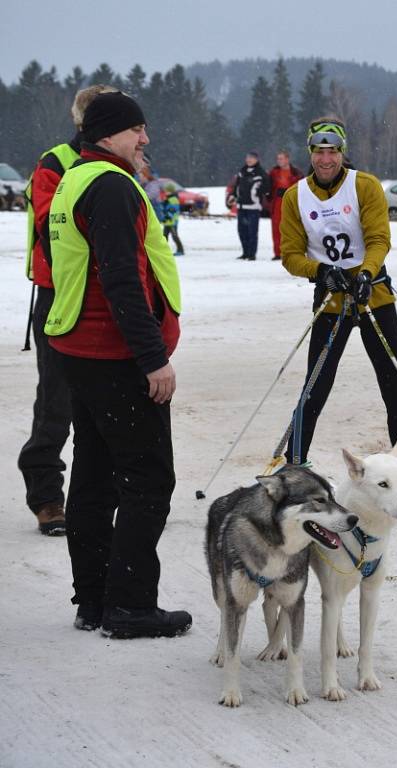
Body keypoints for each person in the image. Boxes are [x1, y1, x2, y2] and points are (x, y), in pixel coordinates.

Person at [44, 91, 192, 638]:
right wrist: (154, 360)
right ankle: (129, 606)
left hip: (79, 351)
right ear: (109, 133)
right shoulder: (109, 185)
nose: (145, 139)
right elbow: (122, 279)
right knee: (148, 480)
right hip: (115, 355)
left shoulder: (75, 178)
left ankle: (95, 601)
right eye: (137, 130)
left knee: (94, 477)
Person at [280, 117, 397, 510]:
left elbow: (379, 238)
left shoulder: (364, 186)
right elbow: (291, 255)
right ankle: (294, 469)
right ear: (310, 153)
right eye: (319, 152)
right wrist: (321, 271)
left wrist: (366, 273)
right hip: (331, 301)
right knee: (315, 385)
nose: (326, 159)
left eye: (333, 151)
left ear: (342, 153)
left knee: (394, 387)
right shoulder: (295, 197)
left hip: (373, 297)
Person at [18, 83, 115, 536]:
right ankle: (46, 496)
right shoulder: (55, 162)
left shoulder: (120, 161)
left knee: (110, 400)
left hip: (110, 295)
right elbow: (52, 228)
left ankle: (106, 493)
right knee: (57, 399)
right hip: (62, 297)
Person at [227, 151, 270, 260]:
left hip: (254, 207)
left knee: (252, 232)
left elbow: (267, 187)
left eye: (251, 158)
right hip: (241, 206)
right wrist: (233, 196)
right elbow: (236, 187)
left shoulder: (261, 172)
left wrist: (257, 192)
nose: (249, 160)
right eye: (247, 158)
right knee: (242, 231)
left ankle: (252, 254)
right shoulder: (242, 171)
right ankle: (245, 252)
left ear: (257, 159)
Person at [268, 150, 303, 261]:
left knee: (291, 229)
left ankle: (292, 251)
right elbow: (267, 186)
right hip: (277, 204)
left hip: (291, 203)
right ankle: (278, 253)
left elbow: (301, 187)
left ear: (287, 159)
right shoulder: (273, 172)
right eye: (278, 159)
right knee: (276, 229)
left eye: (281, 158)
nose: (279, 161)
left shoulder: (296, 172)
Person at [162, 183, 184, 256]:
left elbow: (173, 209)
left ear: (171, 191)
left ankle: (180, 250)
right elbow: (165, 208)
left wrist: (168, 216)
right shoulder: (168, 198)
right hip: (167, 222)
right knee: (164, 237)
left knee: (174, 236)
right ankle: (163, 250)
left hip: (172, 222)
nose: (165, 192)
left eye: (167, 191)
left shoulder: (173, 199)